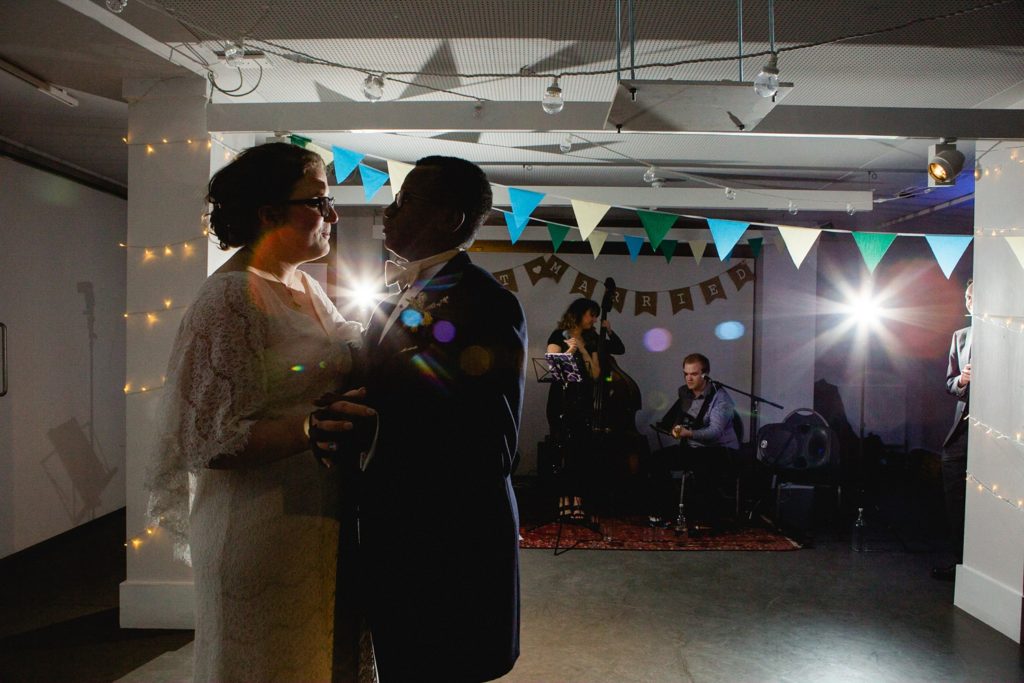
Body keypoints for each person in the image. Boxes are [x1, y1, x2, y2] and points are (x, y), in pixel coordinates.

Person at [143, 142, 375, 683]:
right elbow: (207, 440)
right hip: (258, 523)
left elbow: (347, 351)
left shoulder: (304, 285)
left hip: (317, 514)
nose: (332, 215)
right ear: (269, 214)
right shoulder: (228, 300)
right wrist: (307, 429)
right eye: (318, 202)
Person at [357, 156, 527, 682]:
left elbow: (492, 443)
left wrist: (373, 425)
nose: (388, 212)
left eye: (405, 200)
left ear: (450, 219)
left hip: (450, 539)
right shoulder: (394, 298)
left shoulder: (486, 304)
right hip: (400, 529)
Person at [544, 298, 625, 520]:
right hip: (561, 400)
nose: (595, 319)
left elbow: (596, 373)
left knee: (579, 451)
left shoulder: (591, 338)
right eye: (592, 314)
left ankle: (577, 499)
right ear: (579, 314)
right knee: (562, 450)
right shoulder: (558, 335)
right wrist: (569, 351)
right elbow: (553, 366)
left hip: (583, 401)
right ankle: (563, 499)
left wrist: (584, 349)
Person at [647, 353, 740, 529]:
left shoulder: (721, 399)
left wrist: (688, 433)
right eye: (686, 374)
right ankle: (666, 512)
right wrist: (674, 428)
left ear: (705, 374)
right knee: (657, 460)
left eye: (694, 374)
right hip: (694, 447)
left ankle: (705, 518)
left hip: (720, 450)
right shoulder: (685, 393)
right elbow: (680, 418)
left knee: (702, 464)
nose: (689, 378)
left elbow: (715, 432)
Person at [933, 279, 973, 581]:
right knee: (955, 497)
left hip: (996, 430)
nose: (970, 302)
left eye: (976, 297)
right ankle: (961, 562)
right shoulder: (960, 336)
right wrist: (962, 380)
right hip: (962, 429)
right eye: (968, 297)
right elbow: (948, 383)